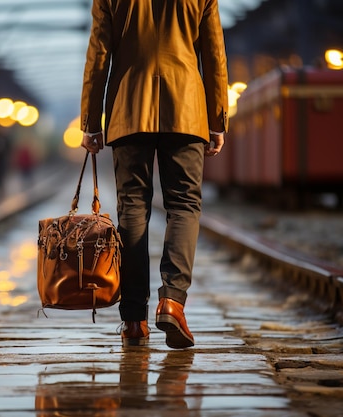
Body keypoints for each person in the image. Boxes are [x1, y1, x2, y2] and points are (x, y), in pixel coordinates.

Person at [80, 0, 228, 349]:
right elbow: (214, 55)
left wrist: (91, 120)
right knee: (184, 205)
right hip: (187, 109)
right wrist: (217, 118)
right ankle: (172, 302)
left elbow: (98, 54)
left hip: (129, 108)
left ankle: (133, 320)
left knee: (131, 208)